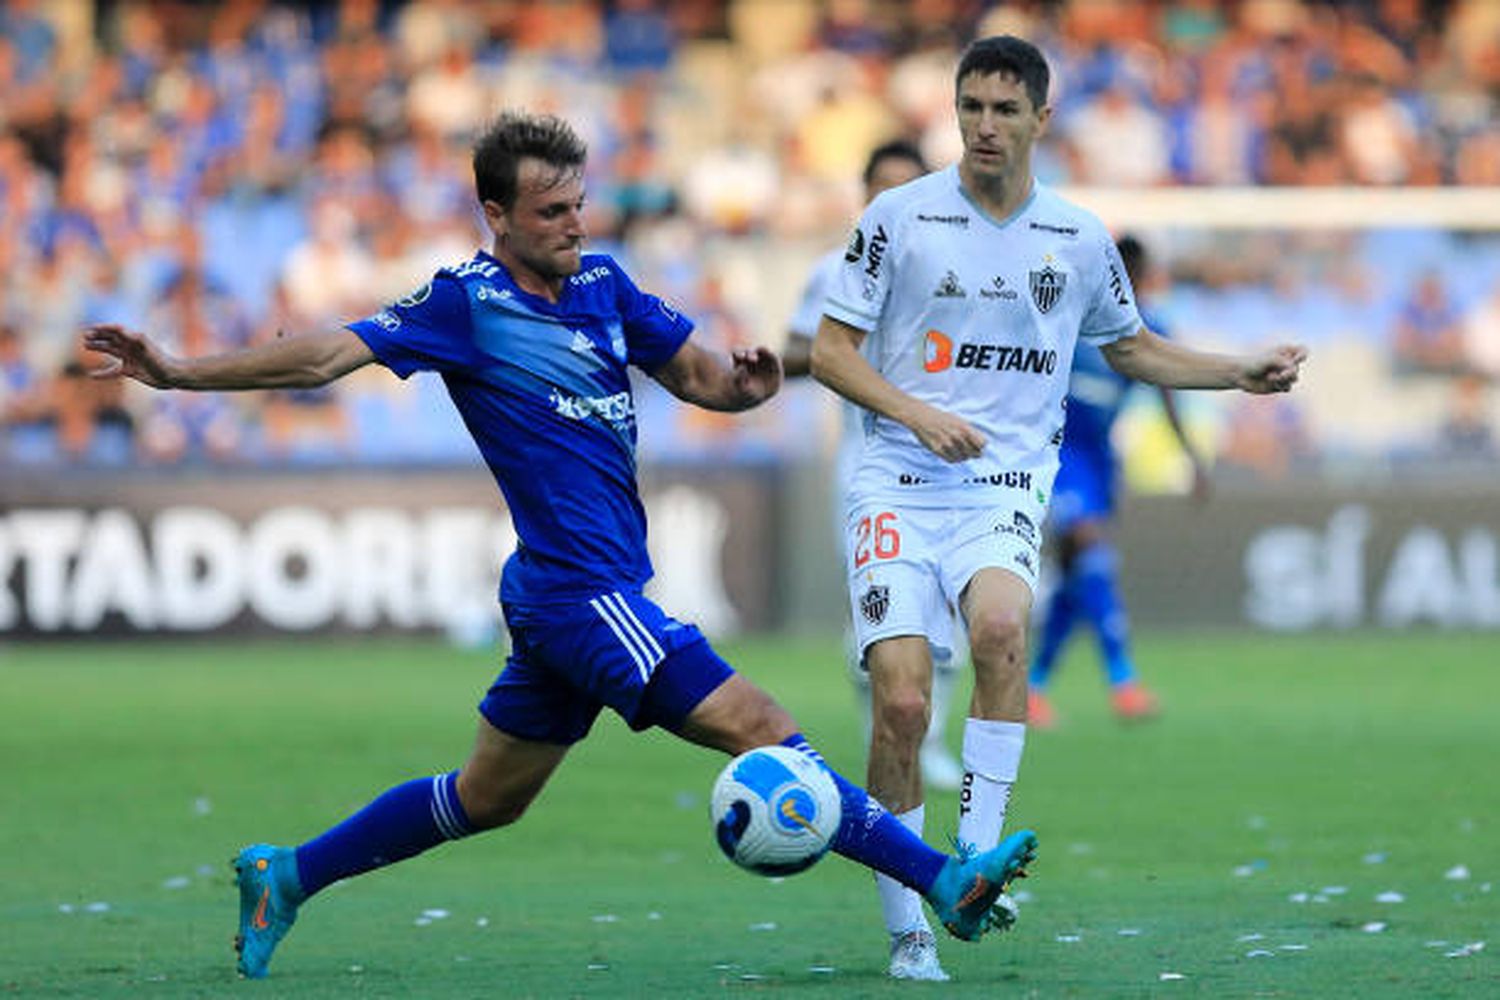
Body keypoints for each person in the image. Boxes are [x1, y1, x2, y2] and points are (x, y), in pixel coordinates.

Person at [82, 111, 1038, 982]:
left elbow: (701, 377)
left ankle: (286, 873)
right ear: (496, 213)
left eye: (580, 204)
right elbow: (328, 354)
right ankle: (946, 881)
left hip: (560, 594)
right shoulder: (466, 301)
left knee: (486, 798)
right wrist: (179, 373)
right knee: (763, 726)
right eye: (552, 211)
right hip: (585, 596)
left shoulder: (606, 285)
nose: (576, 225)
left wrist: (743, 386)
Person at [810, 36, 1306, 981]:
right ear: (954, 113)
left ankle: (971, 870)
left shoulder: (1078, 238)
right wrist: (918, 414)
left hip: (1000, 486)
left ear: (1042, 118)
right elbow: (832, 352)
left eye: (1004, 110)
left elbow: (1133, 349)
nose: (984, 127)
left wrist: (1236, 372)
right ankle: (906, 927)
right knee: (904, 703)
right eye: (971, 109)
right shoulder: (900, 217)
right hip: (898, 485)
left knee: (1002, 629)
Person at [783, 139, 967, 980]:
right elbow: (799, 352)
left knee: (966, 637)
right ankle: (912, 893)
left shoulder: (966, 264)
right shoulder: (834, 269)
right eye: (881, 190)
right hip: (873, 482)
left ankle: (962, 851)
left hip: (968, 487)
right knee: (892, 671)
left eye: (907, 188)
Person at [1026, 235, 1210, 728]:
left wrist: (1190, 456)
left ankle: (1033, 687)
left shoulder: (1146, 327)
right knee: (1091, 550)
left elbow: (1168, 394)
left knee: (1078, 572)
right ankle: (1123, 682)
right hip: (1059, 452)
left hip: (1100, 456)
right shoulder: (1072, 314)